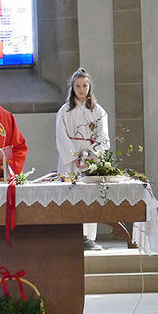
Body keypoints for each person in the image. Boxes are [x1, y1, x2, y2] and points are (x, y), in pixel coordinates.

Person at [55, 67, 111, 250]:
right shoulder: (64, 111)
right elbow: (61, 136)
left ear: (89, 87)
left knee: (88, 196)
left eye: (84, 85)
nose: (81, 89)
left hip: (90, 160)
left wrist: (89, 156)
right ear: (73, 87)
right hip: (70, 160)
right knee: (70, 194)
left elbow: (104, 138)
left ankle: (88, 238)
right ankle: (70, 236)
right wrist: (74, 156)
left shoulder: (98, 111)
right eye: (78, 85)